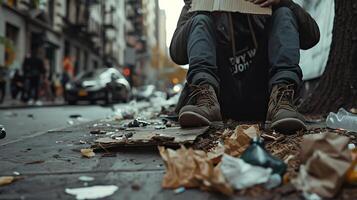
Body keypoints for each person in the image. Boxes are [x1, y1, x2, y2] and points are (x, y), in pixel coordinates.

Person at [170, 0, 320, 134]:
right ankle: (205, 99)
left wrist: (283, 2)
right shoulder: (201, 5)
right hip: (221, 95)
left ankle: (282, 101)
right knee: (200, 20)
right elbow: (177, 55)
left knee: (284, 12)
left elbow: (311, 38)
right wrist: (201, 9)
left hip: (264, 94)